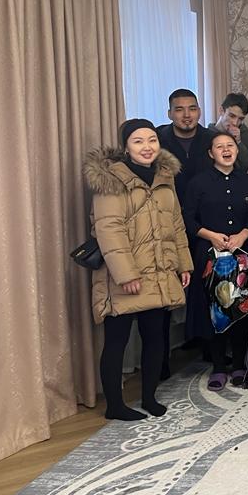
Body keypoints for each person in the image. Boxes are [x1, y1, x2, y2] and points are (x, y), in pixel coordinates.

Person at [83, 119, 192, 420]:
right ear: (126, 147)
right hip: (123, 277)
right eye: (138, 141)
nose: (147, 147)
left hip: (159, 273)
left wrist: (183, 263)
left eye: (152, 140)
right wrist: (127, 275)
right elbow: (109, 230)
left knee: (155, 337)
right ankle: (115, 406)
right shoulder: (110, 180)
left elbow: (176, 224)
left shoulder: (165, 177)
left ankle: (149, 397)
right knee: (116, 341)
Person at [183, 131, 248, 391]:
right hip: (209, 254)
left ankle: (239, 364)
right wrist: (211, 236)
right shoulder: (198, 182)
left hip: (242, 254)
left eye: (230, 145)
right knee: (214, 310)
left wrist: (242, 235)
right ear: (211, 153)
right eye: (220, 147)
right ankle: (218, 366)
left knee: (241, 308)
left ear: (237, 150)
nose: (226, 150)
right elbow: (188, 219)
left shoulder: (246, 181)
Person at [156, 88, 213, 206]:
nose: (187, 115)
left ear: (199, 112)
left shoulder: (213, 140)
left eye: (192, 109)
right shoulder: (156, 140)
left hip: (207, 210)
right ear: (169, 114)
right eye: (179, 110)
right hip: (167, 209)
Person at [210, 93, 248, 172]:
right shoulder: (206, 135)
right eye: (232, 116)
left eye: (240, 119)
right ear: (221, 111)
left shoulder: (247, 135)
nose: (235, 123)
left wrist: (239, 143)